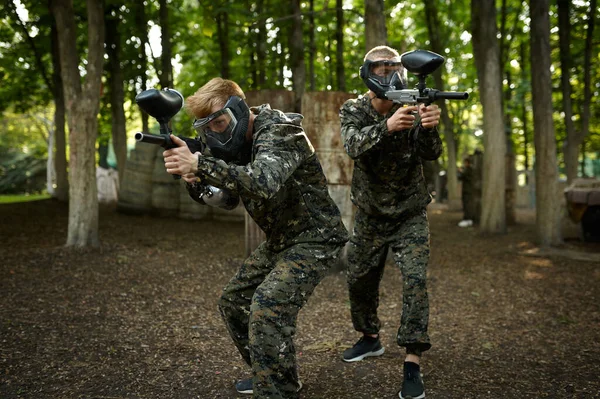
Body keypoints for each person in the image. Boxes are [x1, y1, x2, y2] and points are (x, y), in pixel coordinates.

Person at [162, 77, 349, 398]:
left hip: (317, 237)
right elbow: (228, 199)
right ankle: (271, 372)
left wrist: (202, 163)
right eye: (208, 129)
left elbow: (262, 182)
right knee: (234, 301)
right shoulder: (232, 146)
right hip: (280, 238)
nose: (215, 134)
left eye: (220, 123)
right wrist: (194, 179)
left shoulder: (280, 131)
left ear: (239, 110)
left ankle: (275, 388)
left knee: (267, 305)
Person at [339, 45, 442, 399]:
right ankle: (370, 338)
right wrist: (386, 127)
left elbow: (432, 154)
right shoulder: (354, 109)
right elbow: (352, 146)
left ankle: (412, 360)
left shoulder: (412, 104)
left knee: (415, 280)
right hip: (369, 214)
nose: (389, 75)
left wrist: (428, 125)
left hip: (410, 212)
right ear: (368, 72)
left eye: (394, 68)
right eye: (381, 69)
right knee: (359, 279)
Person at [458, 156, 474, 227]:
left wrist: (460, 171)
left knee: (467, 205)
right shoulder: (469, 169)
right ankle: (468, 219)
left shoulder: (469, 169)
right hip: (467, 190)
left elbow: (462, 176)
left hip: (468, 190)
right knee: (466, 205)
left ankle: (467, 219)